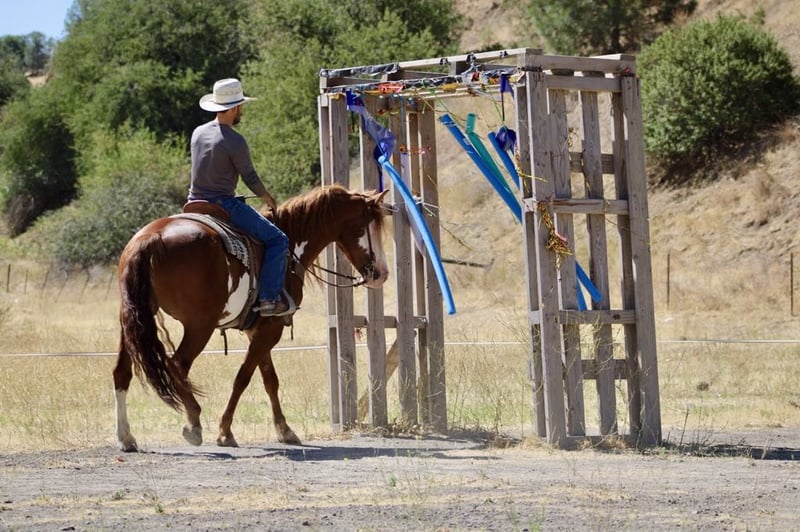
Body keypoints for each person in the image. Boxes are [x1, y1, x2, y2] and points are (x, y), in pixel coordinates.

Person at [188, 78, 291, 317]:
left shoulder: (198, 133)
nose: (242, 110)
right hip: (222, 203)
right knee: (278, 240)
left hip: (193, 203)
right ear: (234, 107)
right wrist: (267, 198)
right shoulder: (235, 140)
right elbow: (250, 177)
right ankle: (269, 299)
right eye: (241, 106)